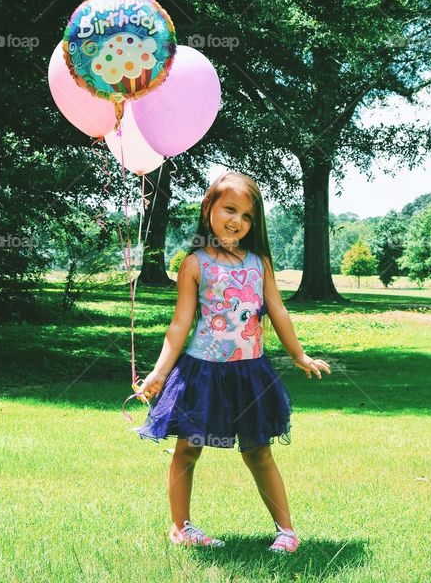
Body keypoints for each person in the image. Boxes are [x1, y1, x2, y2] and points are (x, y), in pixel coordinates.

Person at [134, 172, 331, 554]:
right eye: (229, 209)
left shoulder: (260, 264)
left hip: (251, 372)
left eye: (246, 215)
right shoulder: (195, 264)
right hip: (202, 373)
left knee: (258, 450)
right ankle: (181, 527)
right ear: (209, 207)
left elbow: (278, 311)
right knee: (187, 448)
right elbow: (179, 324)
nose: (237, 220)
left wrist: (299, 354)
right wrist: (158, 374)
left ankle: (286, 531)